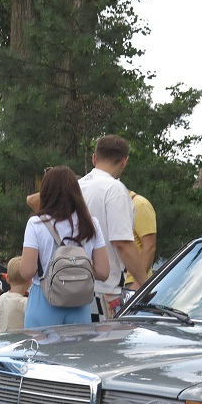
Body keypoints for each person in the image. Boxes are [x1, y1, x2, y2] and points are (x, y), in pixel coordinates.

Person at [21, 166, 111, 328]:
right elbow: (103, 272)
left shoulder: (36, 223)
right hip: (80, 302)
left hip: (44, 299)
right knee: (77, 345)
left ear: (45, 192)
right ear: (76, 191)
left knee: (40, 345)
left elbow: (27, 271)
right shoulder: (91, 223)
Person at [78, 135, 145, 317]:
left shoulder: (75, 187)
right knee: (104, 336)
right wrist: (146, 284)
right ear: (124, 161)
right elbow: (122, 243)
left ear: (94, 158)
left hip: (72, 286)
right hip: (104, 291)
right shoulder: (115, 190)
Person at [126, 190, 156, 290]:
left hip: (132, 283)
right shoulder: (113, 207)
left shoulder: (139, 205)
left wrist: (138, 284)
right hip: (113, 284)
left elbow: (149, 247)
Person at [0, 257, 29, 332]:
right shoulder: (24, 302)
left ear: (7, 278)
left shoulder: (2, 297)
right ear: (30, 281)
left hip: (2, 338)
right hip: (20, 339)